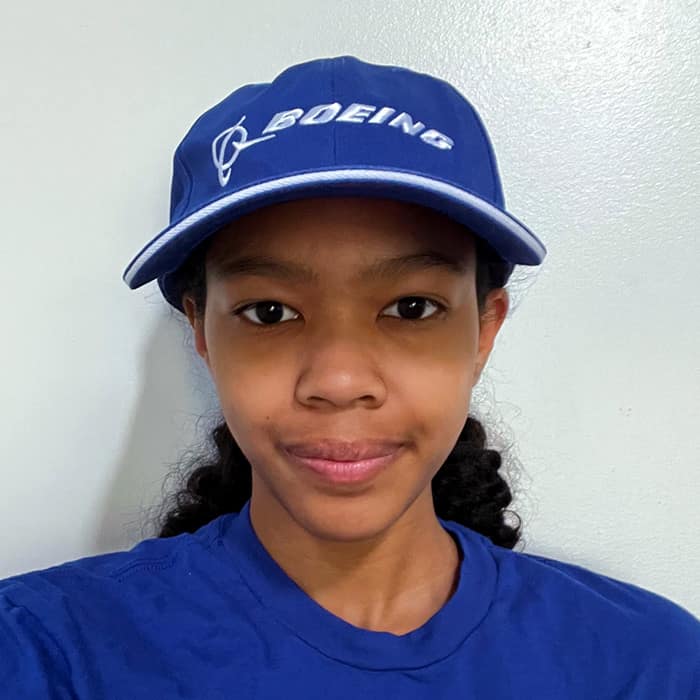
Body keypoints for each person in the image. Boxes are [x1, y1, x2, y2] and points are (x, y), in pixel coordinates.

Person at [1, 55, 698, 699]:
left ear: (483, 329)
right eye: (270, 312)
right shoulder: (48, 652)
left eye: (411, 307)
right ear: (201, 332)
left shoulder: (644, 665)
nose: (338, 380)